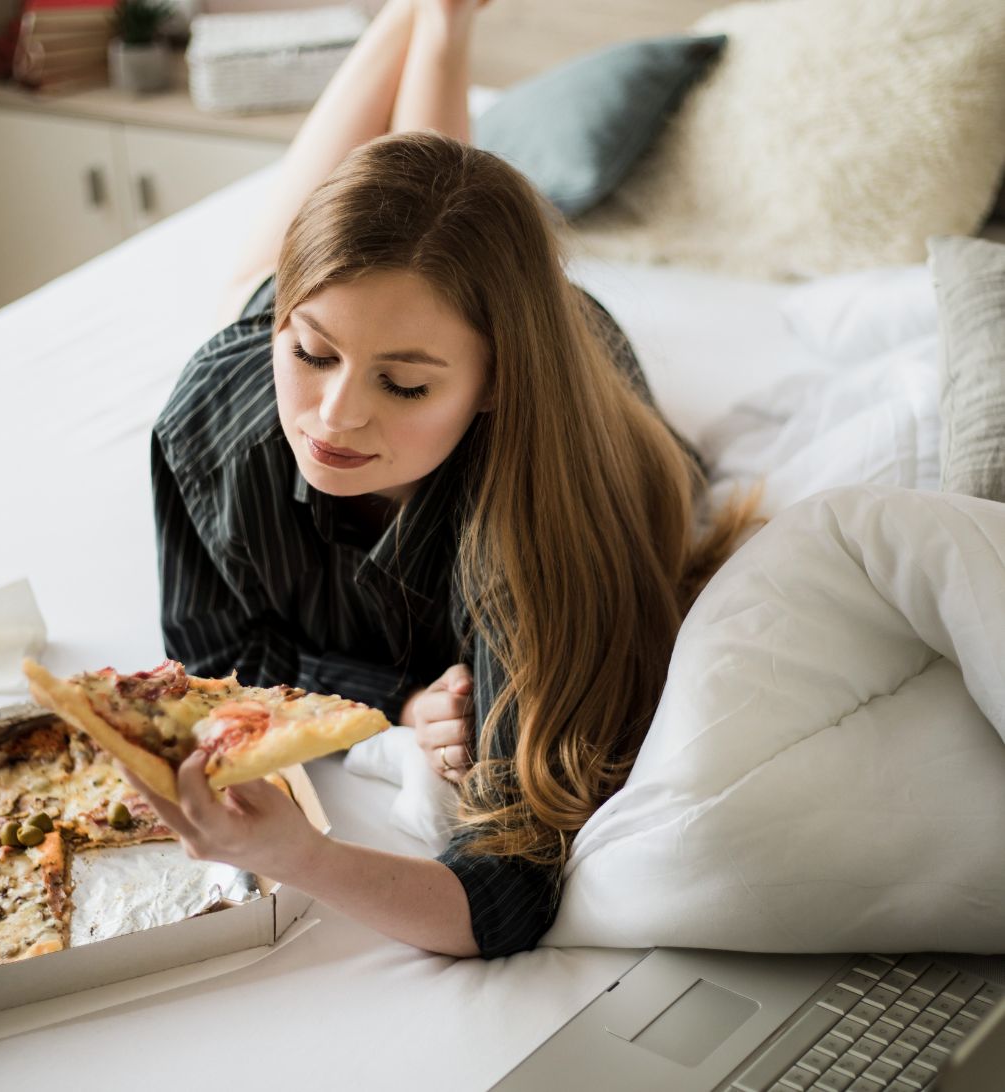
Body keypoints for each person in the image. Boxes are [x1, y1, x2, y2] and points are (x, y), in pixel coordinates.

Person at [138, 0, 758, 959]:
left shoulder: (539, 536)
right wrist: (392, 700)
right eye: (306, 352)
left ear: (494, 383)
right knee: (353, 236)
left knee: (438, 236)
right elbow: (221, 662)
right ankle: (426, 16)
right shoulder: (215, 416)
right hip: (346, 315)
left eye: (403, 385)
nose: (336, 419)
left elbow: (507, 891)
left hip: (572, 364)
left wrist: (303, 853)